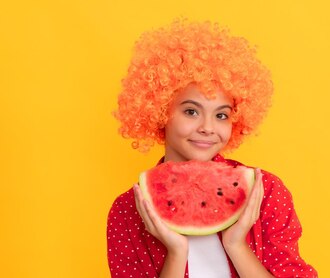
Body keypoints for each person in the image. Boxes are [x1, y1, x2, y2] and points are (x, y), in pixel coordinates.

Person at [107, 19, 317, 278]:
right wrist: (176, 252)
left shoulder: (265, 192)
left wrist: (236, 245)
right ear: (160, 112)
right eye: (191, 111)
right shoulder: (127, 211)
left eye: (221, 115)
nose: (208, 127)